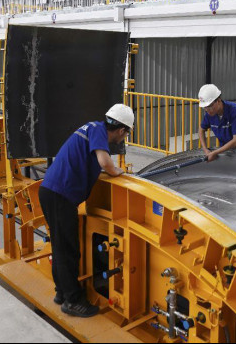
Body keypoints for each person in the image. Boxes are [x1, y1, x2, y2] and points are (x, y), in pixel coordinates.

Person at [39, 104, 134, 318]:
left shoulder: (91, 127)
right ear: (121, 130)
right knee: (68, 250)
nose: (123, 138)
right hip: (59, 196)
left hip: (53, 192)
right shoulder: (100, 131)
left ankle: (62, 293)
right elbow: (104, 162)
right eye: (126, 133)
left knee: (60, 246)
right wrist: (116, 172)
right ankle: (72, 301)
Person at [197, 84, 236, 162]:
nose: (207, 110)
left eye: (209, 106)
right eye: (205, 107)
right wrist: (205, 150)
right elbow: (201, 130)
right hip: (225, 151)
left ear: (219, 101)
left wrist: (215, 152)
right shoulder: (209, 114)